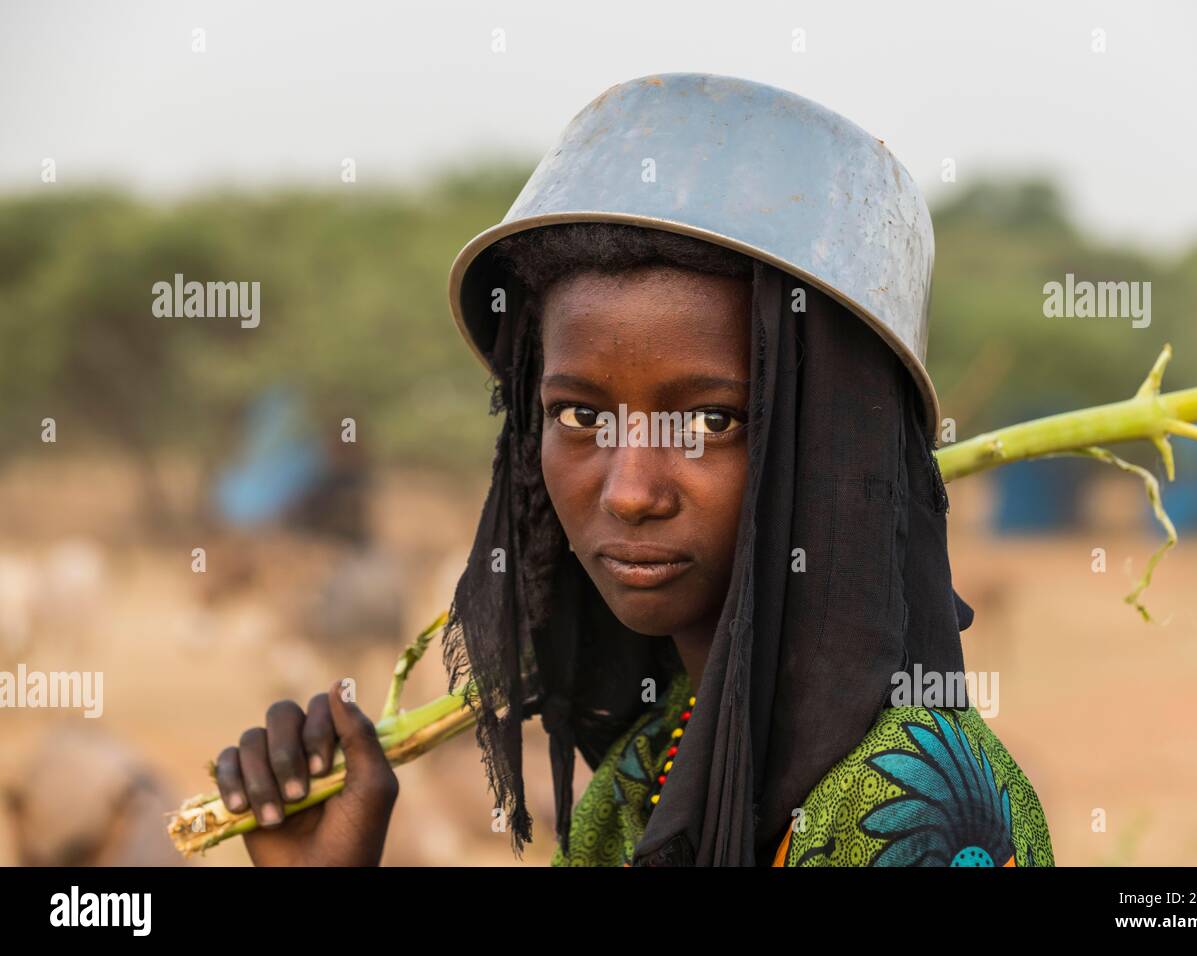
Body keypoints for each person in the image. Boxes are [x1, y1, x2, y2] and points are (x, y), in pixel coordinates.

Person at [210, 73, 1054, 867]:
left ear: (831, 452)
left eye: (710, 422)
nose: (629, 490)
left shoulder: (919, 806)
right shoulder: (643, 772)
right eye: (579, 416)